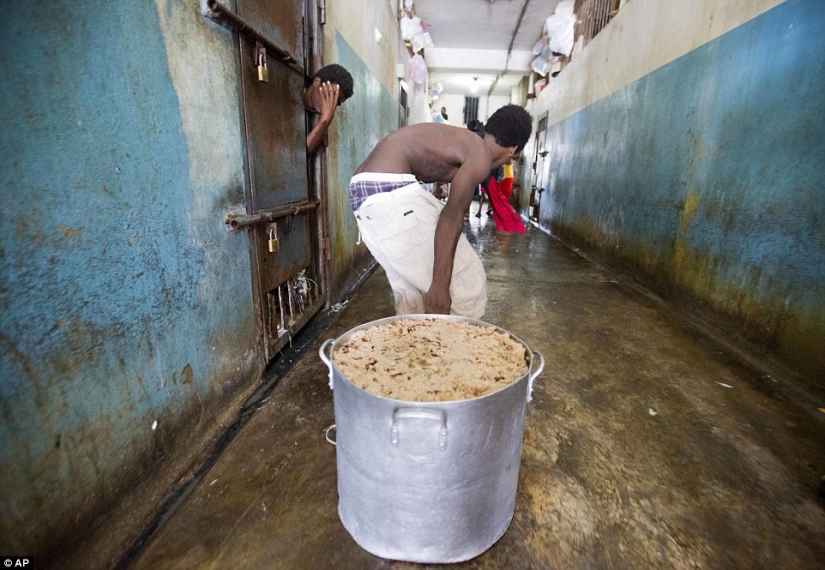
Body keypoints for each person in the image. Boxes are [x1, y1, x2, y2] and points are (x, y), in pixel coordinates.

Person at [349, 104, 532, 318]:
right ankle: (456, 347)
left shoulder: (466, 140)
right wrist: (439, 287)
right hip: (389, 188)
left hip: (364, 195)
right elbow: (452, 215)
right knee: (466, 281)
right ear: (512, 150)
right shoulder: (479, 154)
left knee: (412, 295)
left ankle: (416, 346)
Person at [303, 64, 354, 154]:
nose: (329, 104)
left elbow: (301, 155)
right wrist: (324, 121)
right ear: (316, 82)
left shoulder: (323, 119)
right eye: (329, 94)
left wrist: (324, 122)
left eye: (335, 102)